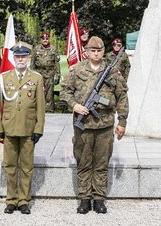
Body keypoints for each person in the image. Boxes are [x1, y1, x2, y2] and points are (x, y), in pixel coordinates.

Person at [61, 36, 129, 215]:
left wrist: (122, 122)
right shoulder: (77, 70)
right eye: (93, 50)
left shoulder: (112, 71)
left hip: (105, 125)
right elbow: (65, 91)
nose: (96, 53)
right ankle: (84, 199)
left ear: (103, 51)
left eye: (99, 50)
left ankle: (99, 198)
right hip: (83, 126)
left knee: (101, 163)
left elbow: (122, 97)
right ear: (87, 51)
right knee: (83, 162)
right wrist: (75, 105)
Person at [0, 43, 45, 215]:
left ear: (28, 58)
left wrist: (38, 128)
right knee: (9, 165)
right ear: (13, 58)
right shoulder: (4, 77)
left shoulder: (36, 78)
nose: (21, 59)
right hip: (9, 128)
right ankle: (11, 200)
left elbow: (40, 106)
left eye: (23, 56)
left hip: (28, 128)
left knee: (26, 166)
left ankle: (23, 200)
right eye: (18, 56)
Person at [32, 31, 61, 110]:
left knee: (49, 93)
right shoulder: (36, 49)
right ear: (41, 39)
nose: (45, 40)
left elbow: (56, 63)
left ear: (49, 39)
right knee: (39, 92)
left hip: (50, 74)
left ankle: (49, 111)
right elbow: (32, 63)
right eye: (43, 38)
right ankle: (38, 109)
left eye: (47, 38)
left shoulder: (53, 49)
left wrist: (58, 75)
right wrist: (31, 75)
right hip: (39, 74)